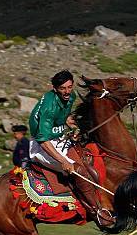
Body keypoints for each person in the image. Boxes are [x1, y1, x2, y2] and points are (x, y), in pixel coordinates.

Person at [28, 70, 110, 220]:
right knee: (78, 170)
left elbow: (64, 119)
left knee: (88, 157)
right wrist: (63, 161)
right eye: (62, 88)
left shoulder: (70, 96)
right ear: (55, 89)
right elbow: (43, 140)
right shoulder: (49, 107)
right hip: (42, 145)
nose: (67, 92)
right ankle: (97, 212)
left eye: (69, 87)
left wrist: (73, 127)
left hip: (58, 138)